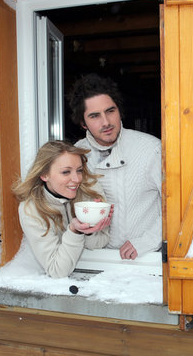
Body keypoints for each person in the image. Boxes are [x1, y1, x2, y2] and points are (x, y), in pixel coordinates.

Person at [67, 74, 162, 260]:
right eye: (95, 116)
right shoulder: (75, 154)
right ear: (83, 123)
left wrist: (147, 242)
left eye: (110, 111)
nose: (106, 122)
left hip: (147, 259)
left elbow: (176, 206)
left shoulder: (151, 149)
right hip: (92, 259)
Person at [13, 140, 113, 278]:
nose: (77, 179)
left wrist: (90, 229)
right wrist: (74, 231)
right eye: (66, 172)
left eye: (79, 170)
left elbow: (100, 243)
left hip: (97, 275)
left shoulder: (90, 189)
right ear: (44, 175)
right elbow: (57, 271)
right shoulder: (31, 210)